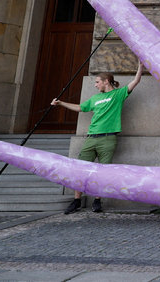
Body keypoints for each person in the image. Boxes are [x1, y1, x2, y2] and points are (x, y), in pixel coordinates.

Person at [53, 60, 143, 214]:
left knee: (102, 172)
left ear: (106, 82)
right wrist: (61, 103)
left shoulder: (118, 94)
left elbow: (135, 81)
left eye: (97, 82)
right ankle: (77, 201)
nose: (95, 85)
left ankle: (97, 201)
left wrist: (140, 67)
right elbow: (80, 108)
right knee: (80, 169)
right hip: (91, 137)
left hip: (108, 139)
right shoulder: (95, 99)